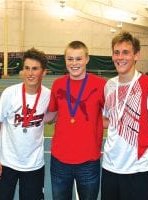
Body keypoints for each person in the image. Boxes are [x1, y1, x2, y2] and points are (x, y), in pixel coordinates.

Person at [101, 31, 148, 200]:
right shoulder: (109, 86)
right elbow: (110, 121)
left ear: (136, 55)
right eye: (116, 52)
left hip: (138, 170)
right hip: (109, 168)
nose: (120, 57)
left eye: (126, 52)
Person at [48, 41, 106, 200]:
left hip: (89, 162)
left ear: (87, 59)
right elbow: (51, 116)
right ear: (65, 60)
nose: (74, 63)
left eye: (78, 59)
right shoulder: (57, 84)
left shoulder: (101, 85)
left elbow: (112, 117)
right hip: (59, 161)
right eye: (70, 59)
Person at [0, 47, 51, 200]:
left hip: (34, 165)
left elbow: (54, 118)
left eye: (35, 69)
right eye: (27, 68)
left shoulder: (48, 96)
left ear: (43, 72)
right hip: (7, 163)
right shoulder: (10, 93)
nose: (30, 73)